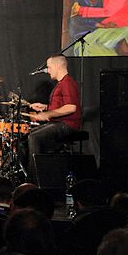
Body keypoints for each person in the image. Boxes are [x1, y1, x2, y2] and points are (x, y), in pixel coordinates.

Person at [27, 54, 81, 183]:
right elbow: (61, 105)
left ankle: (36, 180)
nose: (48, 70)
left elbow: (71, 108)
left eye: (49, 67)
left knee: (33, 138)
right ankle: (32, 174)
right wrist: (45, 107)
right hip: (58, 123)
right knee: (27, 135)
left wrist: (48, 114)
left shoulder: (67, 82)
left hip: (67, 125)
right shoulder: (61, 84)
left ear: (58, 66)